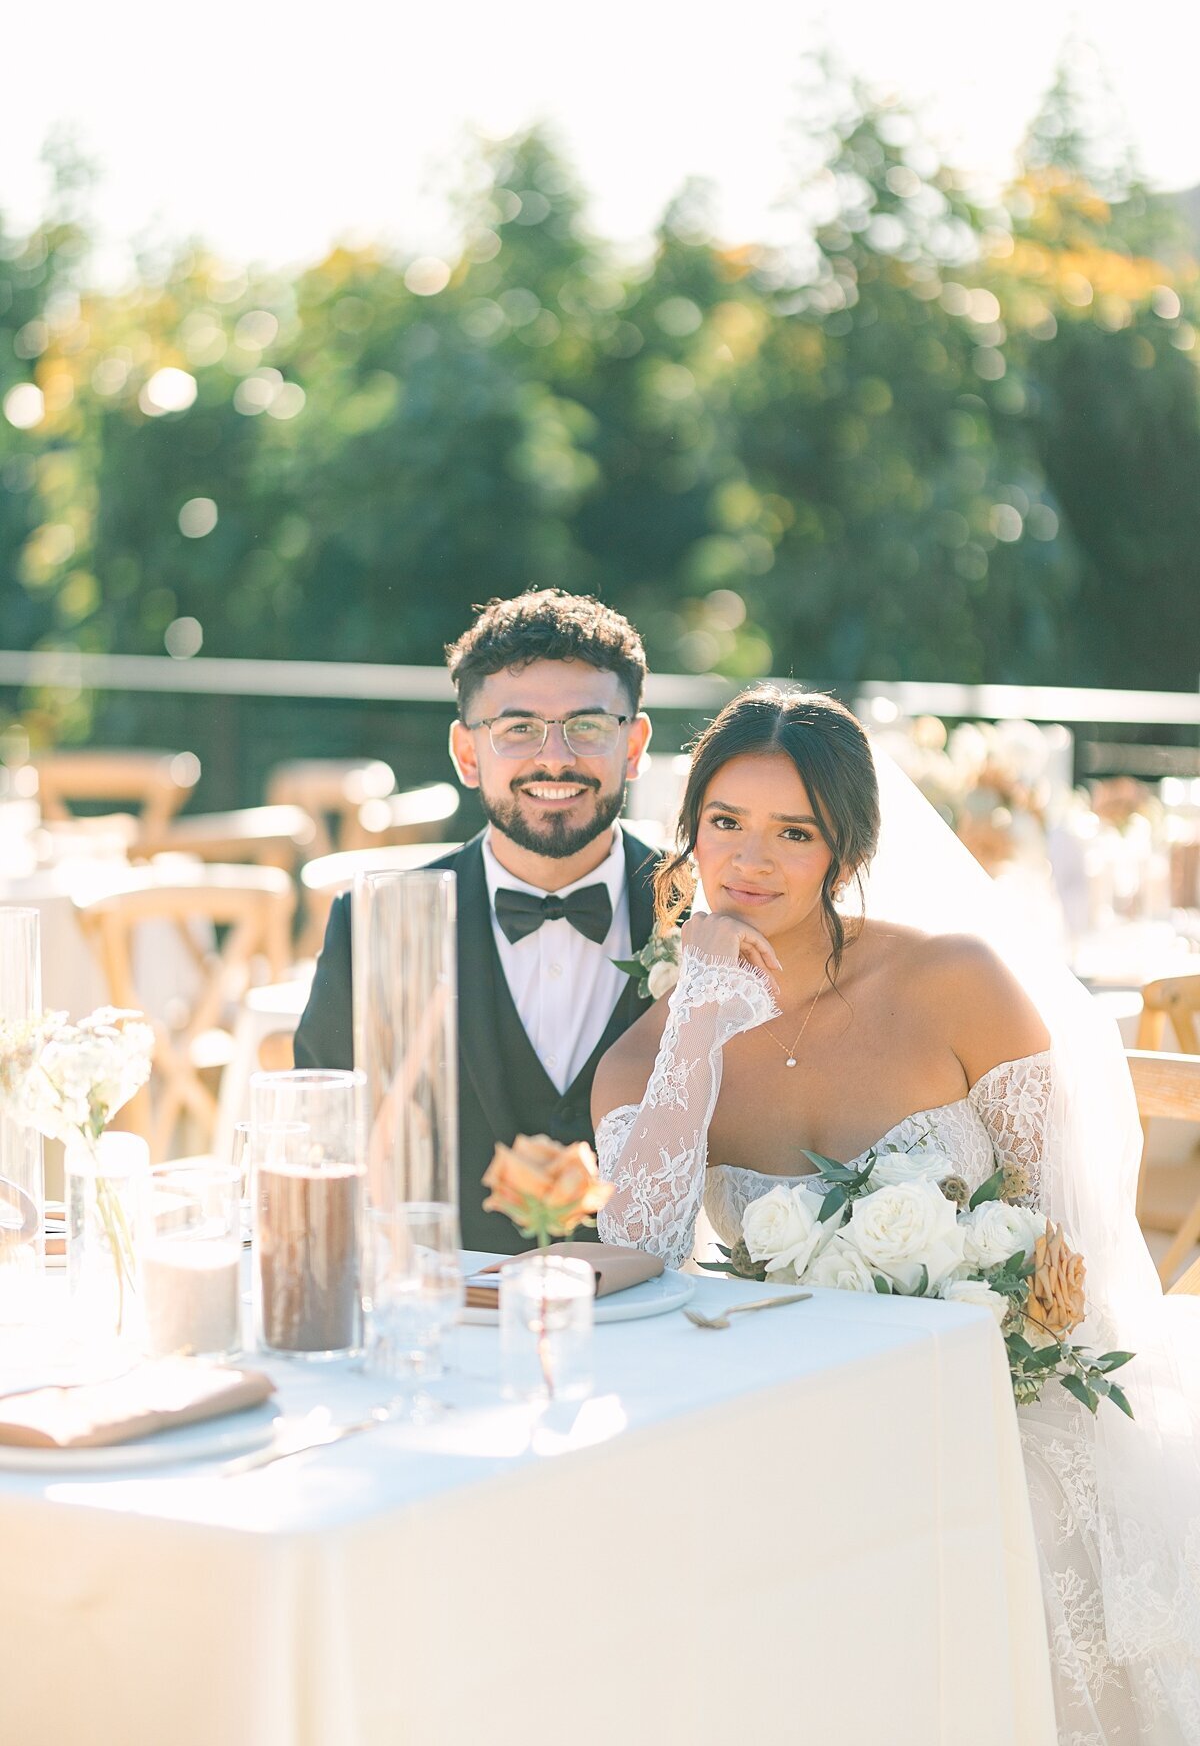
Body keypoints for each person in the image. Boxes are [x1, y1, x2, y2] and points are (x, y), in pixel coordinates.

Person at [593, 685, 1200, 1745]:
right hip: (789, 1428)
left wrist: (983, 1353)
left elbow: (1069, 1245)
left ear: (847, 849)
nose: (750, 858)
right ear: (688, 833)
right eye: (725, 822)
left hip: (1001, 1403)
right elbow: (637, 1248)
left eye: (796, 832)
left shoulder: (954, 980)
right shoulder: (649, 1055)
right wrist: (696, 1014)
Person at [293, 588, 658, 1252]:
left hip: (659, 1317)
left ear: (633, 746)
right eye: (518, 728)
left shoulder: (701, 922)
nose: (555, 758)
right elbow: (321, 1146)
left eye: (589, 726)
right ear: (467, 754)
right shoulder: (371, 926)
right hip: (445, 1320)